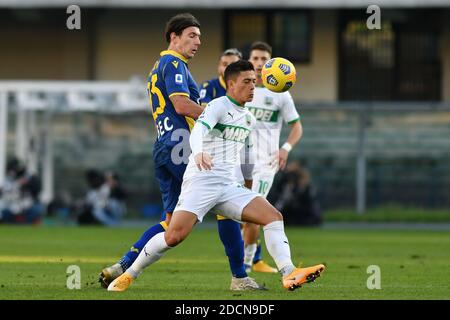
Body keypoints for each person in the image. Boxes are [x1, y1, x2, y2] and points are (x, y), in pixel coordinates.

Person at [107, 60, 325, 292]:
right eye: (247, 82)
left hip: (228, 186)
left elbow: (246, 156)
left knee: (273, 216)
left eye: (254, 81)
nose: (253, 86)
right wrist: (199, 151)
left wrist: (249, 187)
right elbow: (199, 130)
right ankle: (130, 274)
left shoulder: (248, 118)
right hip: (201, 182)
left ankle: (289, 272)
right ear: (231, 84)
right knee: (173, 236)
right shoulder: (217, 106)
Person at [99, 13, 263, 291]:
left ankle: (123, 266)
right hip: (181, 146)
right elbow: (181, 105)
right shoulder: (174, 62)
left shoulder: (162, 65)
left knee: (171, 223)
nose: (198, 41)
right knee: (227, 207)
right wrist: (218, 118)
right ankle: (240, 277)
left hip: (165, 146)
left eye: (199, 36)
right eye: (192, 35)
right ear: (174, 37)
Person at [199, 47, 277, 274]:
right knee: (176, 231)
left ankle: (251, 264)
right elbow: (200, 119)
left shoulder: (250, 101)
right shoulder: (213, 95)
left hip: (242, 160)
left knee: (255, 213)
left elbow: (248, 144)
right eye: (223, 64)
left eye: (231, 64)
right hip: (208, 162)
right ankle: (130, 267)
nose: (225, 68)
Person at [239, 41, 304, 273]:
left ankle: (246, 264)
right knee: (238, 215)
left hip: (266, 163)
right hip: (239, 160)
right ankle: (247, 260)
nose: (258, 63)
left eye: (263, 59)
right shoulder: (242, 88)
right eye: (255, 58)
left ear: (270, 63)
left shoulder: (281, 94)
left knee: (253, 214)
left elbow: (297, 127)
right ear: (249, 60)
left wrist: (285, 148)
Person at [271, 161, 322, 226]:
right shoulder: (285, 183)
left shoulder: (305, 186)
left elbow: (307, 202)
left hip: (304, 213)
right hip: (291, 212)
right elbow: (279, 193)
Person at [0, 158, 43, 224]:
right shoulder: (8, 180)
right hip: (12, 207)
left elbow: (37, 189)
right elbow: (4, 193)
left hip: (28, 207)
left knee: (37, 209)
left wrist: (27, 184)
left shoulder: (31, 178)